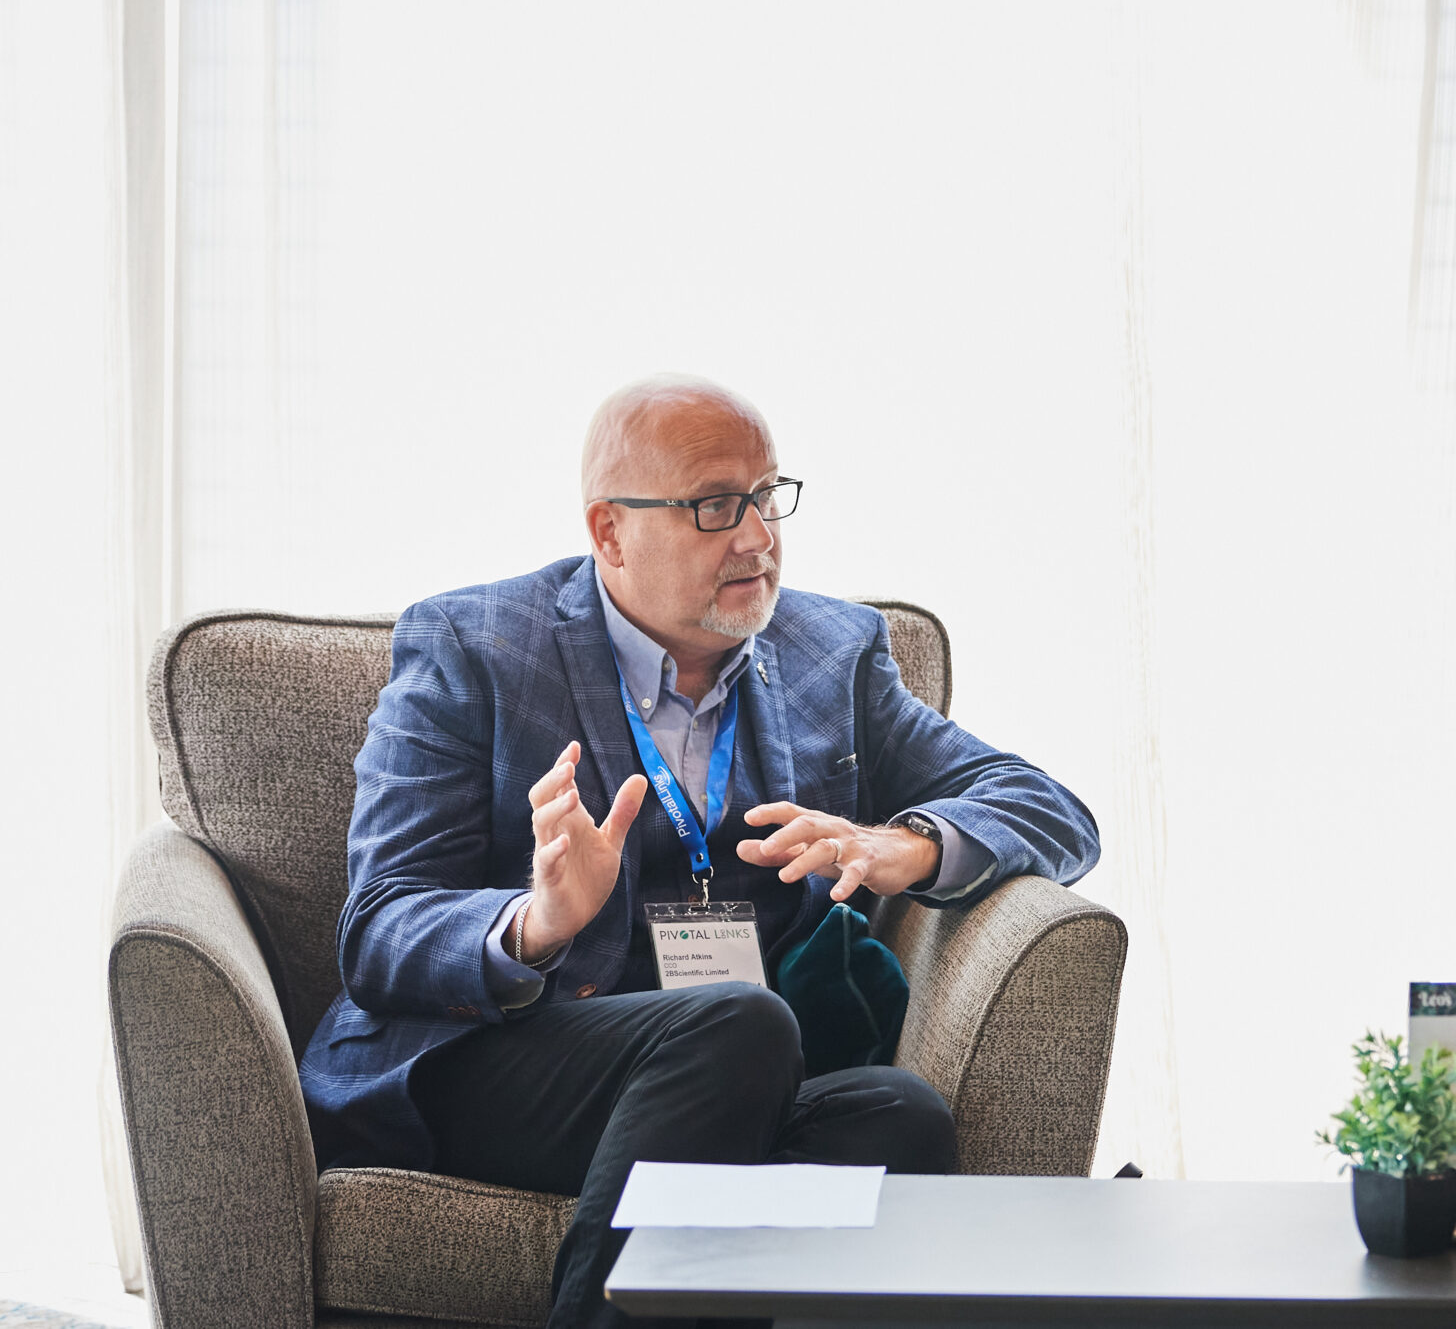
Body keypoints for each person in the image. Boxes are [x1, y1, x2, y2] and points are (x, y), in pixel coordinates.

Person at [299, 375, 1102, 1329]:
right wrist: (535, 921)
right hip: (499, 1052)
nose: (758, 536)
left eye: (768, 497)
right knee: (741, 1025)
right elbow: (380, 924)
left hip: (724, 1072)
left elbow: (1053, 809)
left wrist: (909, 843)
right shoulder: (473, 644)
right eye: (716, 506)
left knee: (902, 1115)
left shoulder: (830, 651)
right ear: (610, 531)